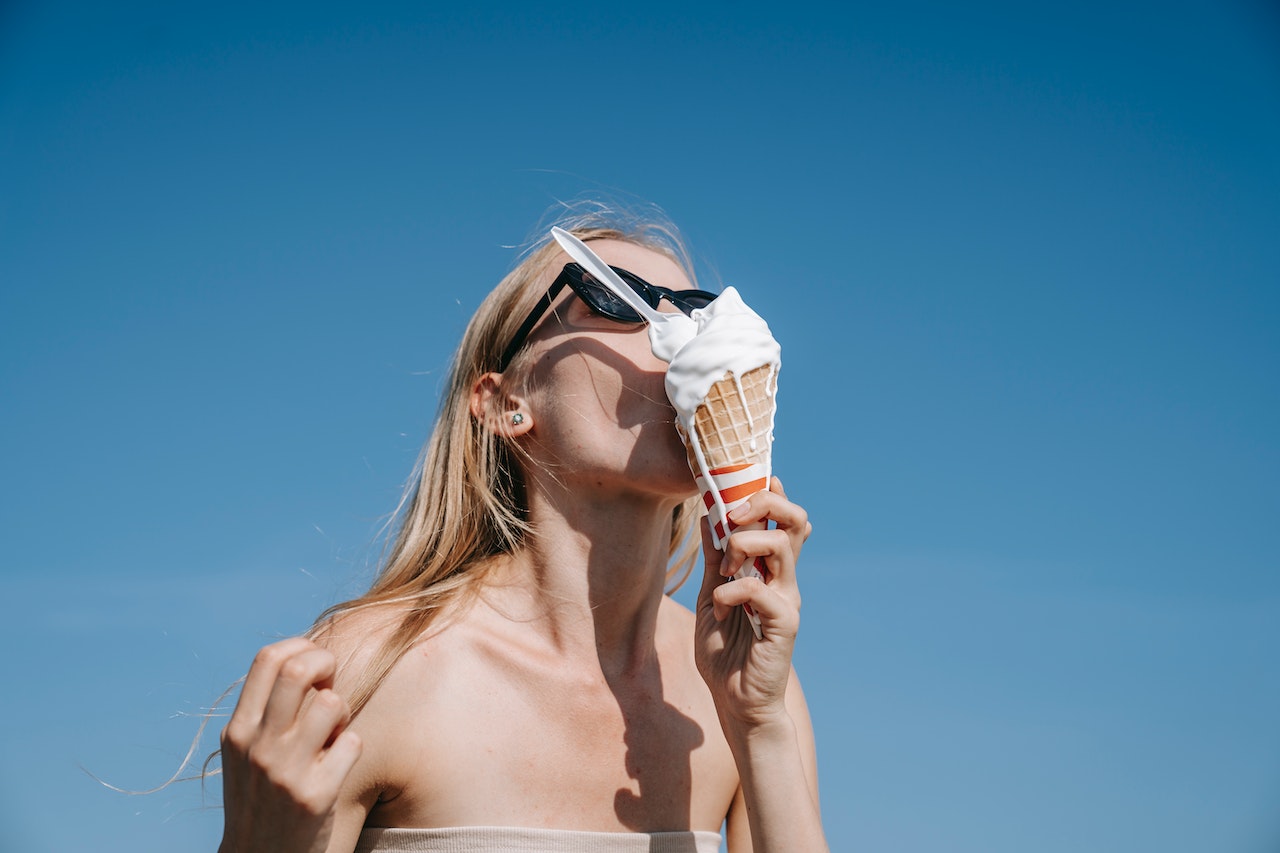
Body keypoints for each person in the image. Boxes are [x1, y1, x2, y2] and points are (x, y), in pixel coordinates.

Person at [215, 208, 828, 853]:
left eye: (693, 309)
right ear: (507, 402)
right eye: (617, 300)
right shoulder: (370, 667)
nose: (673, 331)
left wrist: (758, 727)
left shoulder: (751, 680)